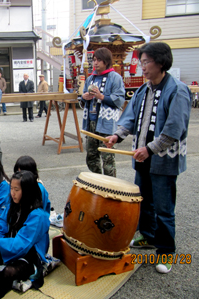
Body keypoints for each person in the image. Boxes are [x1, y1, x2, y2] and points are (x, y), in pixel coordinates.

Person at [104, 42, 191, 274]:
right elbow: (130, 117)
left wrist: (150, 149)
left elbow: (174, 129)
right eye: (141, 62)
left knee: (164, 208)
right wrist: (116, 135)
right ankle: (149, 237)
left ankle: (166, 251)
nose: (142, 67)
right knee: (143, 201)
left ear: (161, 62)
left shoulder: (177, 90)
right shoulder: (144, 90)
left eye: (146, 62)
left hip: (163, 158)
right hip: (143, 157)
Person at [0, 170, 50, 298]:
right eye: (11, 188)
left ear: (27, 190)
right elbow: (1, 230)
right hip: (9, 246)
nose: (12, 193)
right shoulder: (12, 206)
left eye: (17, 190)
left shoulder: (38, 215)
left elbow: (22, 244)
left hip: (28, 255)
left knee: (7, 274)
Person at [81, 47, 125, 177]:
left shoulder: (115, 78)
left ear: (106, 61)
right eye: (94, 60)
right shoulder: (90, 79)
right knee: (91, 156)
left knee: (107, 157)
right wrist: (84, 97)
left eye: (99, 60)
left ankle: (110, 185)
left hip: (107, 123)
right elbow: (82, 98)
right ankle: (98, 181)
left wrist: (102, 97)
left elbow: (120, 99)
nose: (95, 63)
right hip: (91, 123)